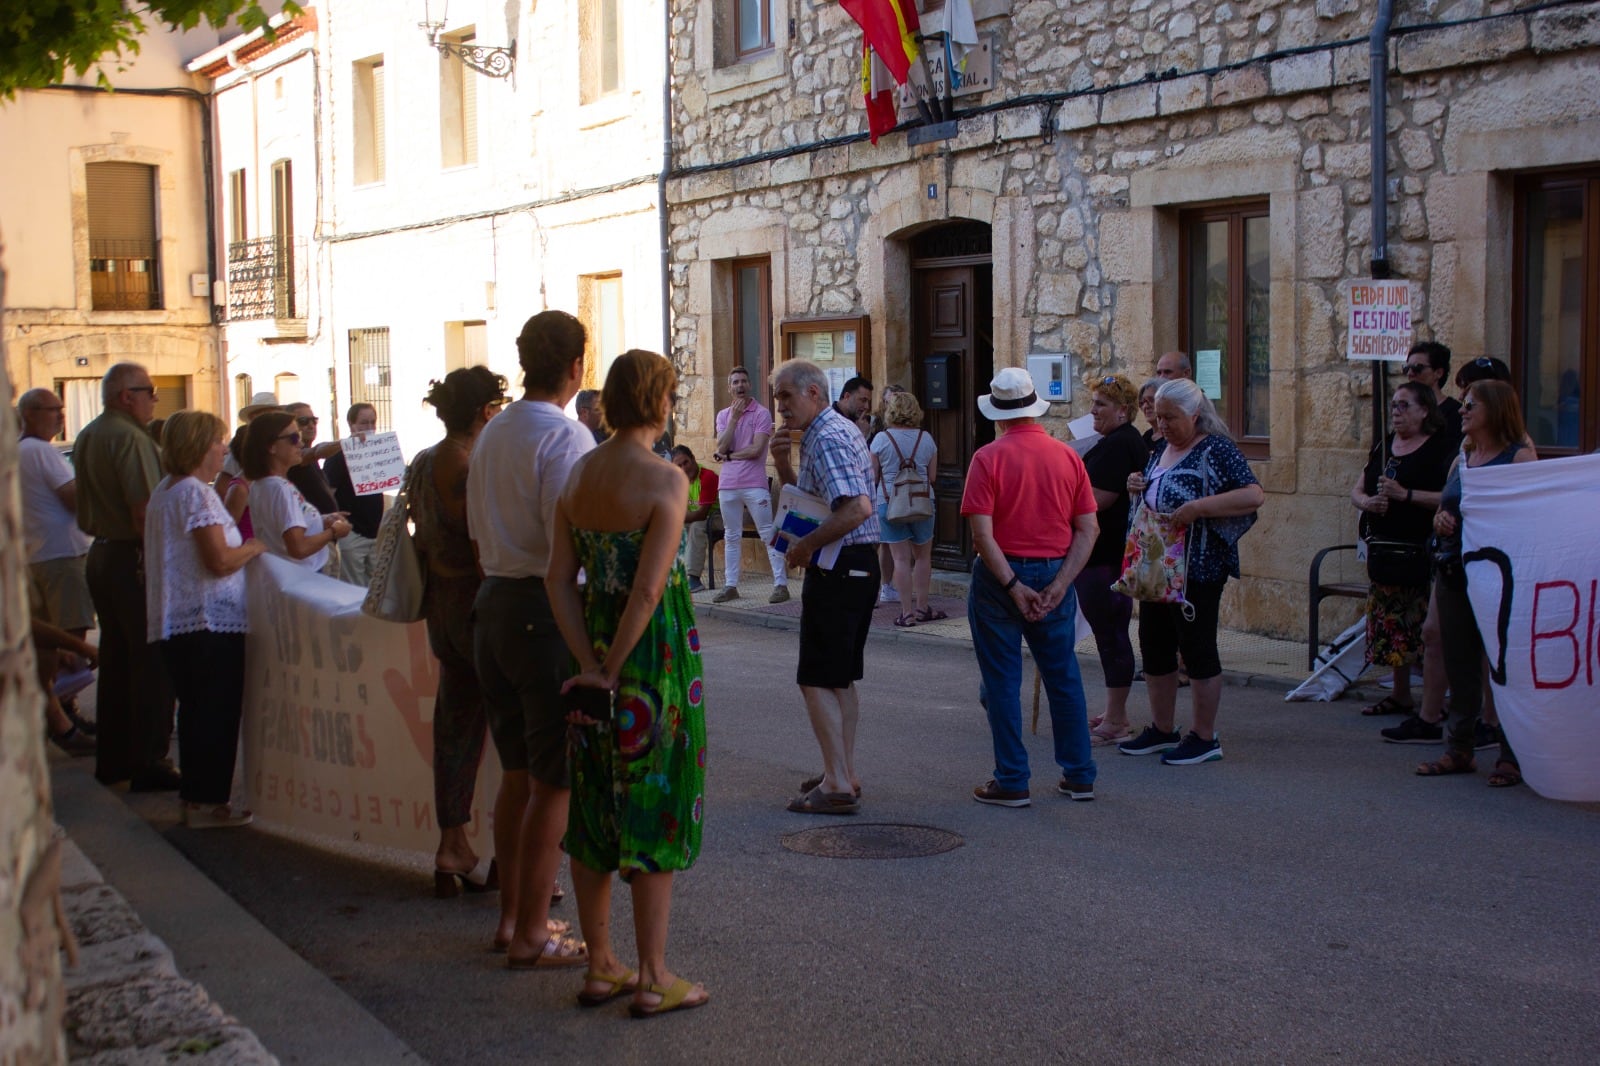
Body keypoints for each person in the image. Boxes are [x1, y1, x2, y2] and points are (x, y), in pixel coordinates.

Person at [547, 349, 710, 1017]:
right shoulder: (667, 479)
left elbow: (557, 577)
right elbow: (649, 590)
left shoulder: (577, 474)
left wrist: (588, 664)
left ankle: (598, 966)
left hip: (589, 650)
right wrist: (616, 668)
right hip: (654, 662)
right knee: (657, 801)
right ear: (663, 401)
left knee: (592, 806)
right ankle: (651, 973)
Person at [468, 309, 593, 966]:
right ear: (576, 366)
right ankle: (531, 934)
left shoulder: (493, 433)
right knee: (554, 782)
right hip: (539, 610)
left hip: (492, 603)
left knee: (516, 775)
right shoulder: (564, 437)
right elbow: (566, 542)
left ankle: (510, 919)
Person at [960, 367, 1099, 806]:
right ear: (1035, 407)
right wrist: (1060, 584)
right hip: (1055, 571)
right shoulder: (1067, 457)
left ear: (998, 415)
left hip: (1001, 577)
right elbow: (1088, 529)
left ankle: (1013, 778)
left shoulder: (988, 458)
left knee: (1001, 681)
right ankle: (1079, 775)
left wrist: (1014, 584)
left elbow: (982, 535)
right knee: (1063, 677)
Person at [1119, 378, 1264, 765]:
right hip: (1156, 568)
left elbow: (1253, 494)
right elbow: (1155, 491)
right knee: (1154, 644)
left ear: (1195, 414)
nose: (1162, 424)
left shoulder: (1216, 449)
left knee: (1197, 647)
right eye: (1158, 416)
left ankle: (1204, 736)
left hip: (1197, 568)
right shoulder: (1161, 448)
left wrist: (1200, 508)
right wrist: (1138, 484)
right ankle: (1162, 729)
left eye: (1171, 417)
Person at [143, 410, 266, 827]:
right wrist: (252, 547)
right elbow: (219, 559)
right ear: (199, 446)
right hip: (206, 621)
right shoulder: (195, 493)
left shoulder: (167, 489)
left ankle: (196, 797)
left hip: (181, 621)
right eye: (219, 442)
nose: (224, 450)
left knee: (196, 711)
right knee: (214, 712)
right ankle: (208, 803)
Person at [768, 359, 880, 815]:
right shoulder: (828, 429)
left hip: (840, 567)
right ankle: (843, 772)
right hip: (852, 567)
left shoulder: (828, 435)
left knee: (816, 678)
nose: (780, 408)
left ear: (814, 393)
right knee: (838, 679)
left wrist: (804, 548)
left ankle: (836, 781)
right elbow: (818, 502)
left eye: (786, 397)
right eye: (777, 399)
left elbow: (856, 509)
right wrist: (780, 461)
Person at [412, 369, 507, 895]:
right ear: (479, 412)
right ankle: (499, 854)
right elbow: (480, 541)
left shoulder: (427, 459)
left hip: (443, 605)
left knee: (457, 726)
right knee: (502, 731)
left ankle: (455, 842)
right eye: (494, 406)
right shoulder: (463, 462)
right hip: (469, 605)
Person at [1415, 380, 1535, 786]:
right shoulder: (1462, 458)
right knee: (1461, 664)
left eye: (1471, 405)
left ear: (1496, 411)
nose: (1462, 410)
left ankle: (1512, 756)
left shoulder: (1519, 458)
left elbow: (1529, 518)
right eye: (1463, 404)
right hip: (1455, 573)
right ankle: (1459, 749)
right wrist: (1440, 520)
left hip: (1499, 577)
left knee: (1503, 666)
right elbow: (1447, 507)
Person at [73, 362, 178, 790]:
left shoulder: (89, 434)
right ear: (124, 396)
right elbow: (142, 513)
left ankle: (115, 759)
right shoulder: (130, 438)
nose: (155, 398)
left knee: (117, 663)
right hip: (133, 555)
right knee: (152, 661)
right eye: (148, 391)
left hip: (102, 554)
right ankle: (148, 761)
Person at [1350, 382, 1453, 719]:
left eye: (1404, 405)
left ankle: (1432, 704)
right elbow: (1358, 489)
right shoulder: (1385, 446)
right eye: (1393, 405)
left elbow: (1449, 498)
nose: (1395, 411)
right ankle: (1400, 694)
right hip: (1385, 553)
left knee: (1424, 628)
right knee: (1391, 628)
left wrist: (1405, 495)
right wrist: (1369, 502)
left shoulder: (1440, 449)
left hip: (1422, 550)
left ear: (1425, 410)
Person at [17, 388, 97, 747]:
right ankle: (64, 715)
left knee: (46, 643)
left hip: (35, 557)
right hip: (60, 557)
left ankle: (58, 714)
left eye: (62, 409)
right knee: (69, 638)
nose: (61, 416)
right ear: (31, 414)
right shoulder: (40, 451)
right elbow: (73, 498)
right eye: (53, 410)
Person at [1073, 374, 1149, 745]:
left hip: (1106, 555)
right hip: (1104, 552)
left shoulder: (1120, 444)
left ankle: (1118, 719)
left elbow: (1097, 501)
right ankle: (1113, 710)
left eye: (1100, 404)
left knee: (1111, 633)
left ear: (1122, 410)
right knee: (1108, 633)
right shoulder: (1116, 441)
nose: (1093, 411)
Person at [710, 366, 789, 604]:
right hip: (728, 485)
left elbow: (756, 450)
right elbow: (720, 447)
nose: (740, 386)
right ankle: (730, 585)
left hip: (754, 483)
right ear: (729, 387)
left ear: (750, 385)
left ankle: (781, 584)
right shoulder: (724, 415)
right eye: (735, 382)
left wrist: (731, 456)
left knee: (768, 532)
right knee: (731, 535)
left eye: (743, 381)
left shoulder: (762, 413)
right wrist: (733, 420)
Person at [244, 411, 352, 571]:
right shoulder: (280, 489)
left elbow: (283, 528)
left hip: (283, 574)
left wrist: (321, 520)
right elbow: (298, 548)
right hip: (302, 575)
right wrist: (334, 531)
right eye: (294, 438)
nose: (300, 444)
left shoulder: (261, 485)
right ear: (271, 446)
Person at [869, 390, 941, 626]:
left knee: (900, 559)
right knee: (922, 558)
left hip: (889, 504)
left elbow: (873, 477)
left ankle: (906, 612)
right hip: (922, 502)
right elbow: (932, 477)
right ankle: (922, 607)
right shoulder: (927, 439)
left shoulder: (881, 440)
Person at [323, 403, 384, 586]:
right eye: (363, 423)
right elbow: (329, 494)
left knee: (376, 588)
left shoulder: (377, 452)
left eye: (372, 422)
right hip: (351, 533)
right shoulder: (337, 455)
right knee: (354, 588)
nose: (369, 428)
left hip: (375, 532)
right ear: (351, 425)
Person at [869, 383, 905, 603]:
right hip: (881, 489)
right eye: (888, 399)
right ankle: (881, 586)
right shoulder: (876, 424)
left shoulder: (906, 426)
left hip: (896, 490)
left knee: (894, 544)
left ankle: (889, 585)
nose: (891, 403)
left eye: (895, 399)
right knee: (880, 543)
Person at [670, 445, 719, 593]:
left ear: (693, 459)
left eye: (686, 462)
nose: (684, 468)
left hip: (719, 518)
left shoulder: (707, 477)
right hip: (696, 518)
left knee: (697, 527)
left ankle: (694, 579)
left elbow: (701, 514)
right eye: (679, 466)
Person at [283, 402, 341, 517]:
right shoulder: (294, 456)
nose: (311, 425)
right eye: (304, 421)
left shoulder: (309, 455)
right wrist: (345, 444)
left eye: (314, 420)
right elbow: (316, 451)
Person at [1400, 341, 1457, 444]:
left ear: (1438, 373)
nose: (1410, 373)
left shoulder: (1455, 412)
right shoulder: (1403, 409)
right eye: (1406, 368)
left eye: (1417, 368)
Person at [1137, 378, 1163, 454]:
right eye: (1142, 402)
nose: (1145, 406)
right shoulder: (1146, 437)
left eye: (1151, 400)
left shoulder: (1172, 438)